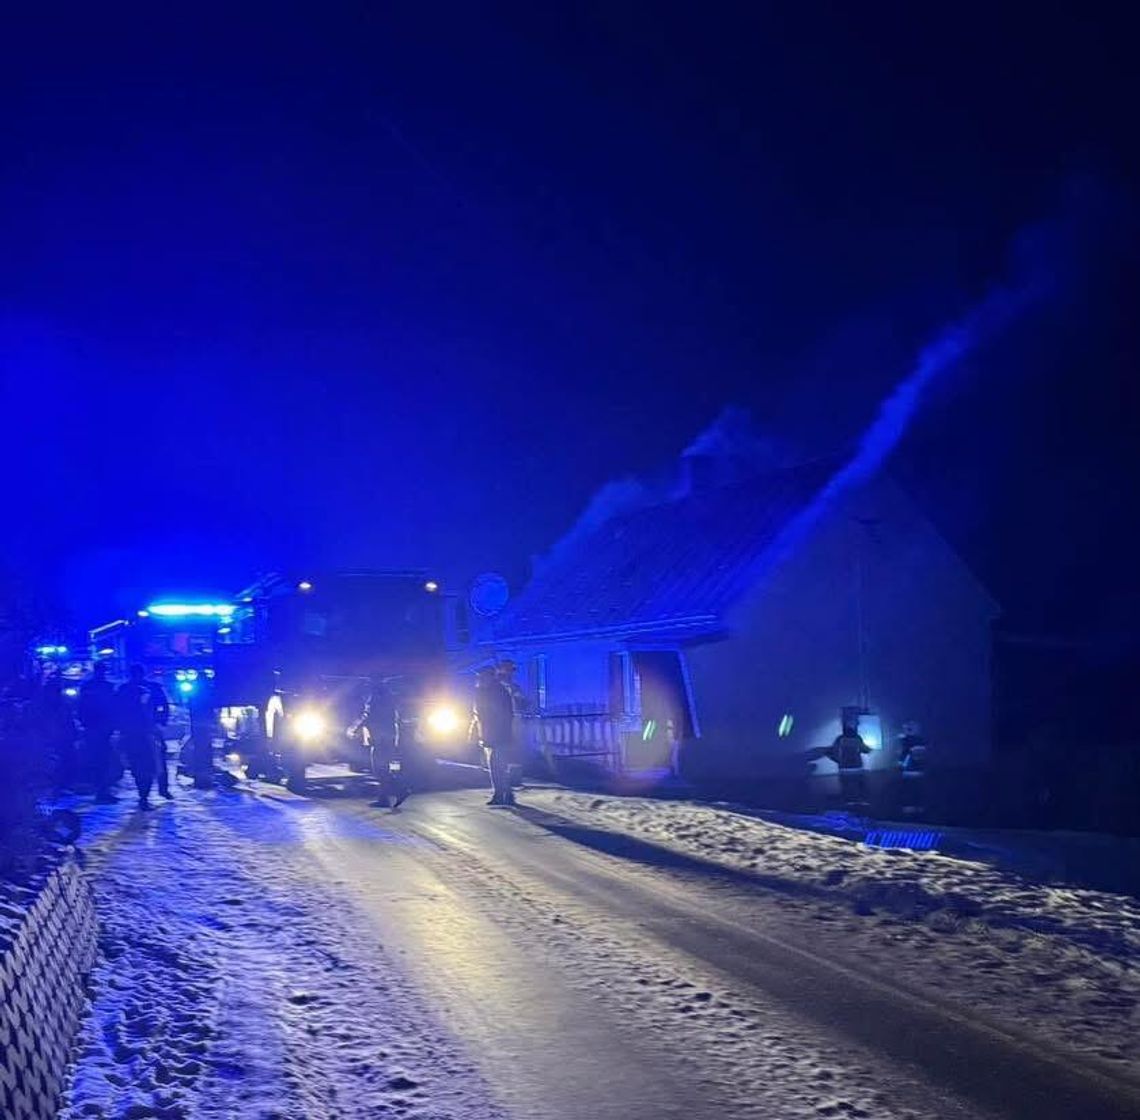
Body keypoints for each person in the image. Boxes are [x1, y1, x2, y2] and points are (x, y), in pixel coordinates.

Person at [472, 667, 517, 806]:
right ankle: (505, 794)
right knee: (496, 765)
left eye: (482, 676)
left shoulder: (498, 692)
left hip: (498, 735)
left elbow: (503, 715)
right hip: (489, 734)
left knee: (497, 765)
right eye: (479, 677)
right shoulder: (483, 692)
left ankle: (502, 794)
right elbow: (477, 715)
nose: (479, 679)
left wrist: (494, 732)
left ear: (490, 677)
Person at [117, 665, 160, 810]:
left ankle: (144, 795)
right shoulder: (148, 689)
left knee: (138, 766)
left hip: (132, 733)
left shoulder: (123, 690)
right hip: (144, 733)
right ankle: (144, 796)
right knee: (148, 765)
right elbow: (158, 708)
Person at [363, 678, 407, 809]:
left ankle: (399, 790)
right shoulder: (390, 698)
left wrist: (355, 728)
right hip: (390, 736)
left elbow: (369, 716)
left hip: (379, 738)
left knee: (379, 768)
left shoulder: (374, 699)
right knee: (385, 767)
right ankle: (384, 798)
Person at [79, 662, 119, 802]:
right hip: (98, 727)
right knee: (101, 760)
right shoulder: (104, 687)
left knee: (101, 760)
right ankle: (102, 791)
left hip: (97, 728)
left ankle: (102, 790)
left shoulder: (89, 687)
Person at [35, 675, 78, 794]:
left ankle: (63, 783)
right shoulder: (49, 705)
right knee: (62, 760)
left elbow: (68, 720)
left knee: (66, 760)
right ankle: (61, 783)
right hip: (57, 737)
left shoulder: (60, 704)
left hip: (61, 736)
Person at [830, 718, 871, 807]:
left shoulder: (840, 739)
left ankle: (849, 802)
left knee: (847, 786)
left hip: (845, 768)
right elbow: (865, 750)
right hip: (856, 767)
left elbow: (833, 752)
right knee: (859, 785)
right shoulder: (857, 738)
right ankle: (859, 801)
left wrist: (839, 761)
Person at [146, 675, 173, 799]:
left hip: (147, 730)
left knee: (157, 759)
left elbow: (164, 707)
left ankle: (159, 789)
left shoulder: (151, 689)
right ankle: (159, 789)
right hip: (147, 730)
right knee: (157, 760)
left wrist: (161, 722)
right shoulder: (153, 688)